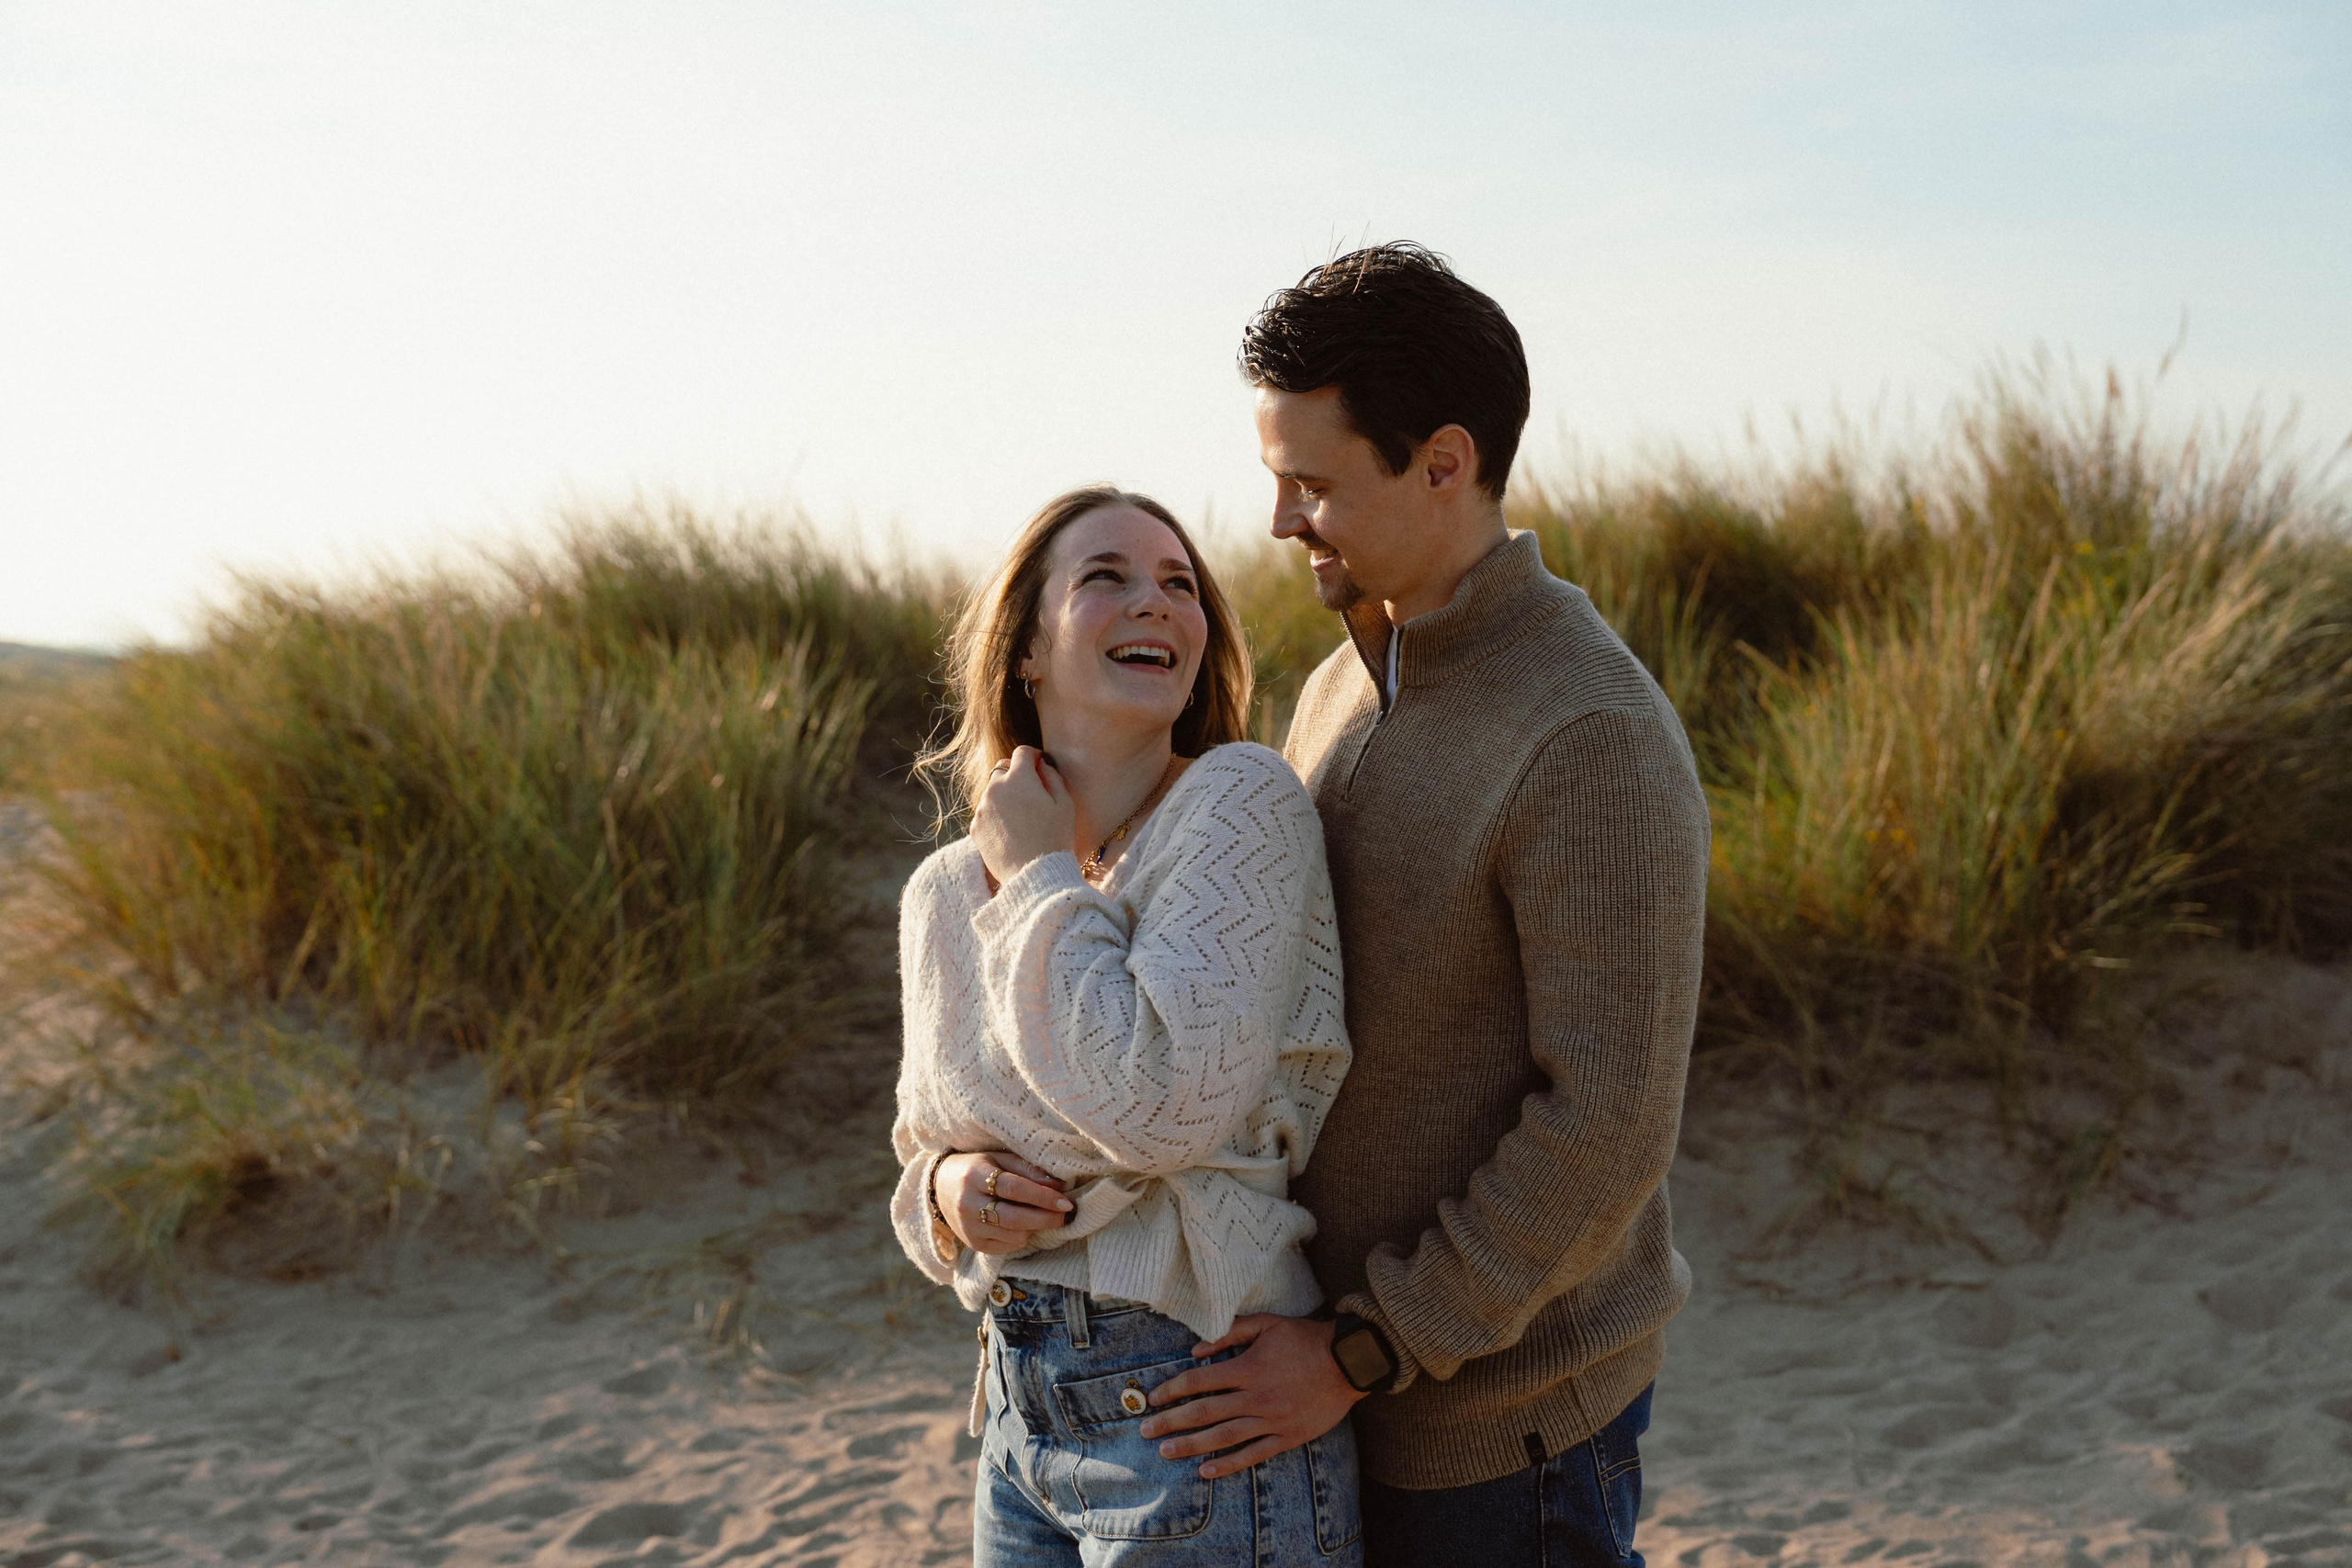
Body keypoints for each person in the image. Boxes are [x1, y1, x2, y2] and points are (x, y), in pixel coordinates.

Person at [1136, 244, 1712, 1567]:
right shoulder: (1344, 680)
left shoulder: (1590, 732)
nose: (1281, 518)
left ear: (1444, 462)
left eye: (1314, 482)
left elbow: (1608, 1127)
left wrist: (1360, 1347)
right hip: (1337, 1398)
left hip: (1501, 1436)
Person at [889, 485, 1363, 1565]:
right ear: (1025, 649)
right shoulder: (943, 892)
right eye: (1106, 577)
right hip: (1014, 1423)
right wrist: (951, 1192)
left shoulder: (1240, 805)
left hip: (1199, 1404)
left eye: (1179, 583)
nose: (1155, 602)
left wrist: (1041, 877)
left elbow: (1160, 1106)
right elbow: (922, 1154)